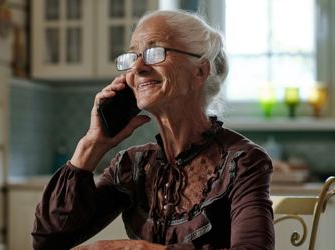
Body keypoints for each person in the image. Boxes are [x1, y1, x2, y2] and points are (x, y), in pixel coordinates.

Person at [32, 9, 274, 250]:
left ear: (200, 71)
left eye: (154, 52)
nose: (137, 67)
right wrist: (92, 144)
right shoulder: (131, 166)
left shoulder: (242, 161)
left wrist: (138, 249)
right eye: (132, 56)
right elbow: (48, 242)